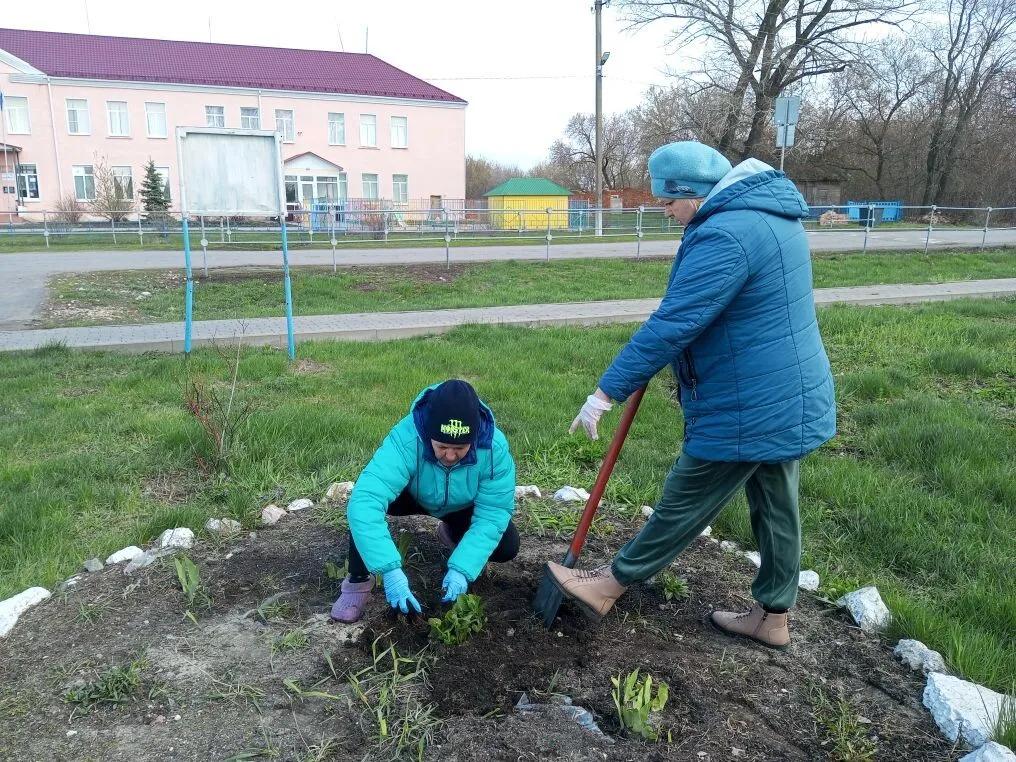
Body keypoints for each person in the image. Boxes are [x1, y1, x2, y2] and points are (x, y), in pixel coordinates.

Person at [551, 141, 836, 649]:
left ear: (693, 192)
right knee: (775, 503)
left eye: (667, 202)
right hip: (786, 388)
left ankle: (608, 585)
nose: (666, 212)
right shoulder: (767, 214)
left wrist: (605, 391)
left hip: (751, 399)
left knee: (686, 497)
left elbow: (675, 323)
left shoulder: (727, 234)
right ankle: (772, 617)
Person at [331, 379, 518, 623]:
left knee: (506, 545)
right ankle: (357, 581)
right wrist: (390, 571)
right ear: (428, 433)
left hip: (461, 505)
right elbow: (365, 501)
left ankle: (453, 535)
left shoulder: (494, 448)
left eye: (460, 448)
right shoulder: (407, 436)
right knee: (366, 506)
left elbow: (493, 512)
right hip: (411, 495)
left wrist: (463, 568)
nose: (450, 456)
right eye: (442, 447)